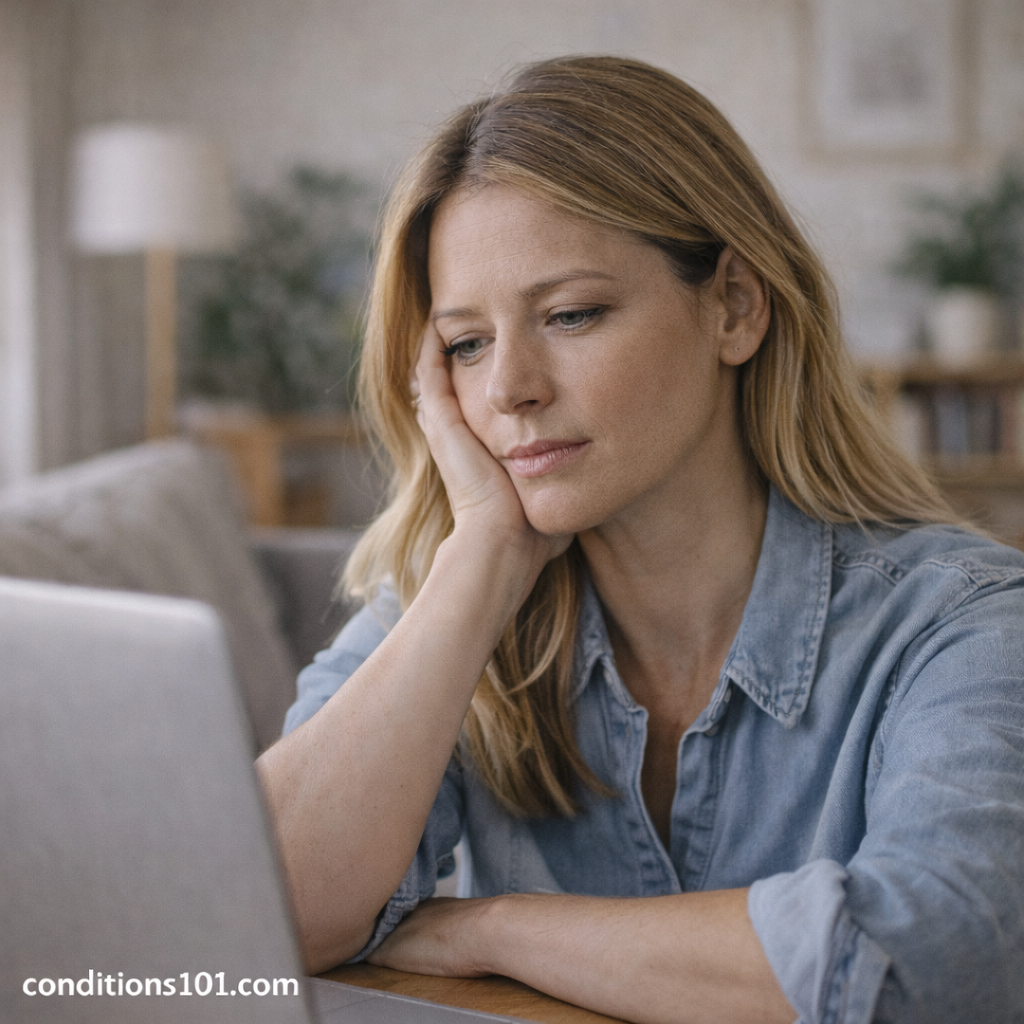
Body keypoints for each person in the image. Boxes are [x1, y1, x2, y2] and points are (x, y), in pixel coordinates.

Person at [256, 56, 1024, 1024]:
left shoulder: (968, 624)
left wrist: (490, 927)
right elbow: (253, 916)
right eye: (465, 343)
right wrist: (481, 559)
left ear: (735, 306)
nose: (508, 390)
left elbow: (932, 969)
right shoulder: (448, 610)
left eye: (570, 314)